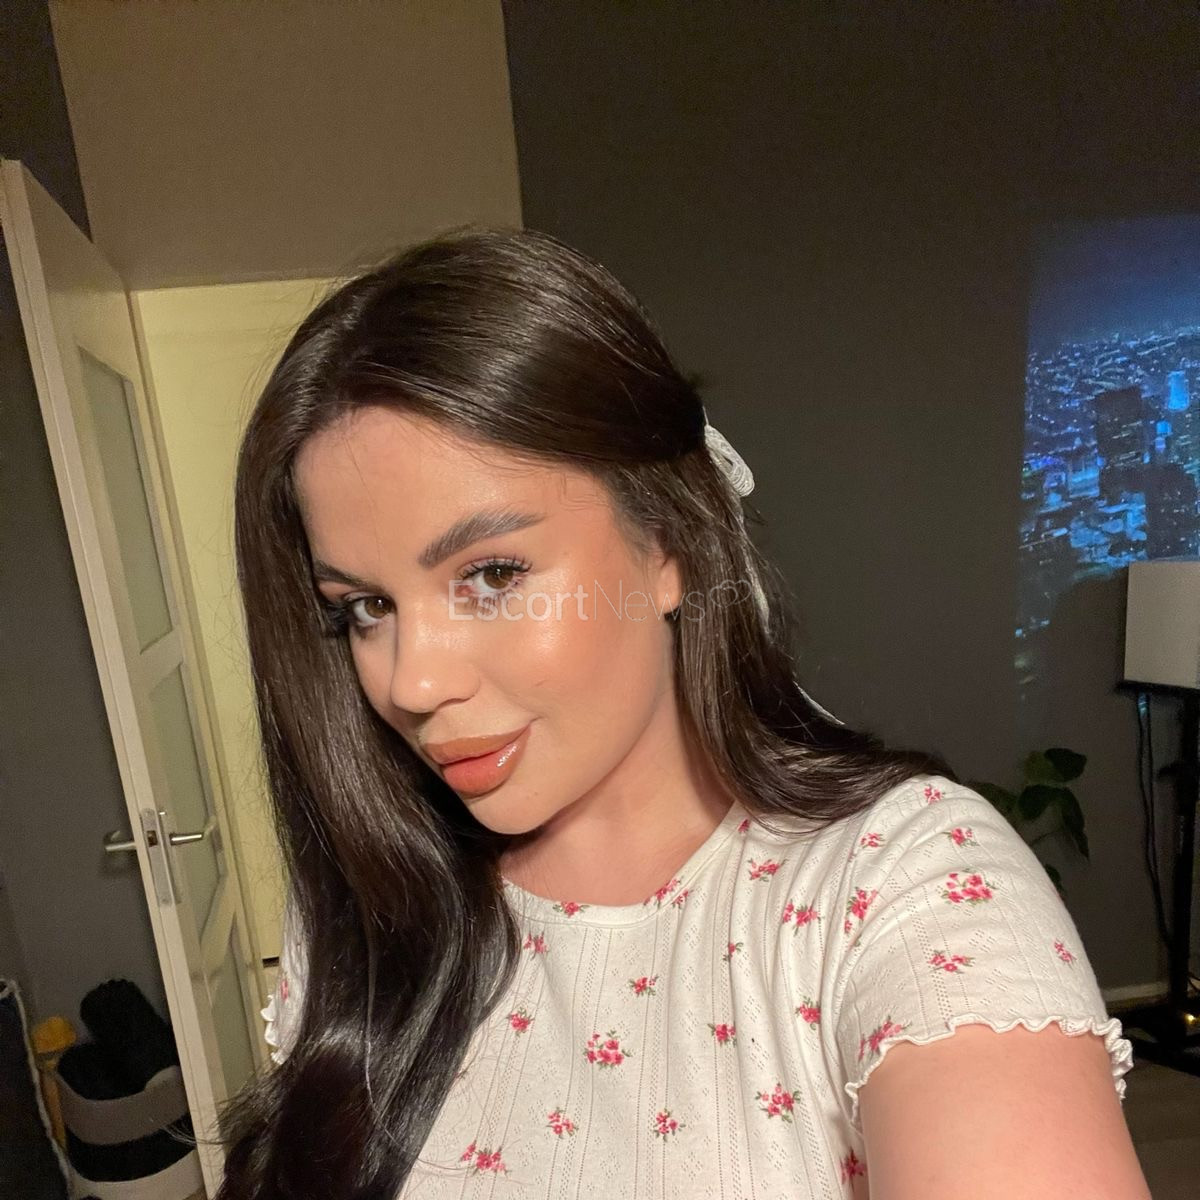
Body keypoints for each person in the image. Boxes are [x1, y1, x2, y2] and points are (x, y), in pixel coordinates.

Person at [217, 227, 1148, 1199]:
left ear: (665, 543)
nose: (413, 683)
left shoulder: (900, 887)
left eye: (490, 575)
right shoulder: (370, 897)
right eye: (365, 608)